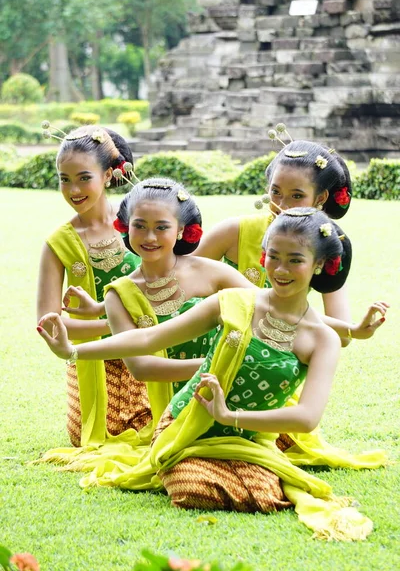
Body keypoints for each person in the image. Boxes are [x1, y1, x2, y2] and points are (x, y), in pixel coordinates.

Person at [37, 208, 388, 541]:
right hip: (187, 422)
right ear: (263, 254)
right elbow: (149, 337)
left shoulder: (322, 339)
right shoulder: (235, 301)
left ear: (319, 265)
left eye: (295, 260)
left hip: (249, 438)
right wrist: (72, 350)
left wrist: (229, 416)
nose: (280, 269)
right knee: (191, 488)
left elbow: (306, 417)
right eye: (273, 256)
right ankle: (187, 461)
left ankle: (250, 469)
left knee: (263, 494)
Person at [61, 176, 255, 428]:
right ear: (125, 227)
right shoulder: (118, 295)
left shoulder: (212, 272)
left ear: (182, 230)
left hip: (232, 395)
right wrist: (218, 366)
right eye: (140, 226)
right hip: (170, 413)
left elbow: (268, 307)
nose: (149, 237)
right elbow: (141, 368)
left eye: (162, 227)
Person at [36, 123, 150, 447]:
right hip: (95, 361)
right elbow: (49, 326)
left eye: (84, 177)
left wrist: (142, 333)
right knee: (107, 435)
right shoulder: (58, 244)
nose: (74, 190)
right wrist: (121, 327)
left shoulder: (138, 223)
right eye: (65, 179)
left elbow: (173, 283)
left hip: (152, 349)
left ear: (108, 175)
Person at [195, 136, 353, 331]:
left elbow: (344, 332)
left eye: (297, 196)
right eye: (276, 192)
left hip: (283, 349)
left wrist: (290, 317)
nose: (282, 205)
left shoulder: (324, 243)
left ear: (320, 198)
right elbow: (179, 276)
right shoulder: (233, 231)